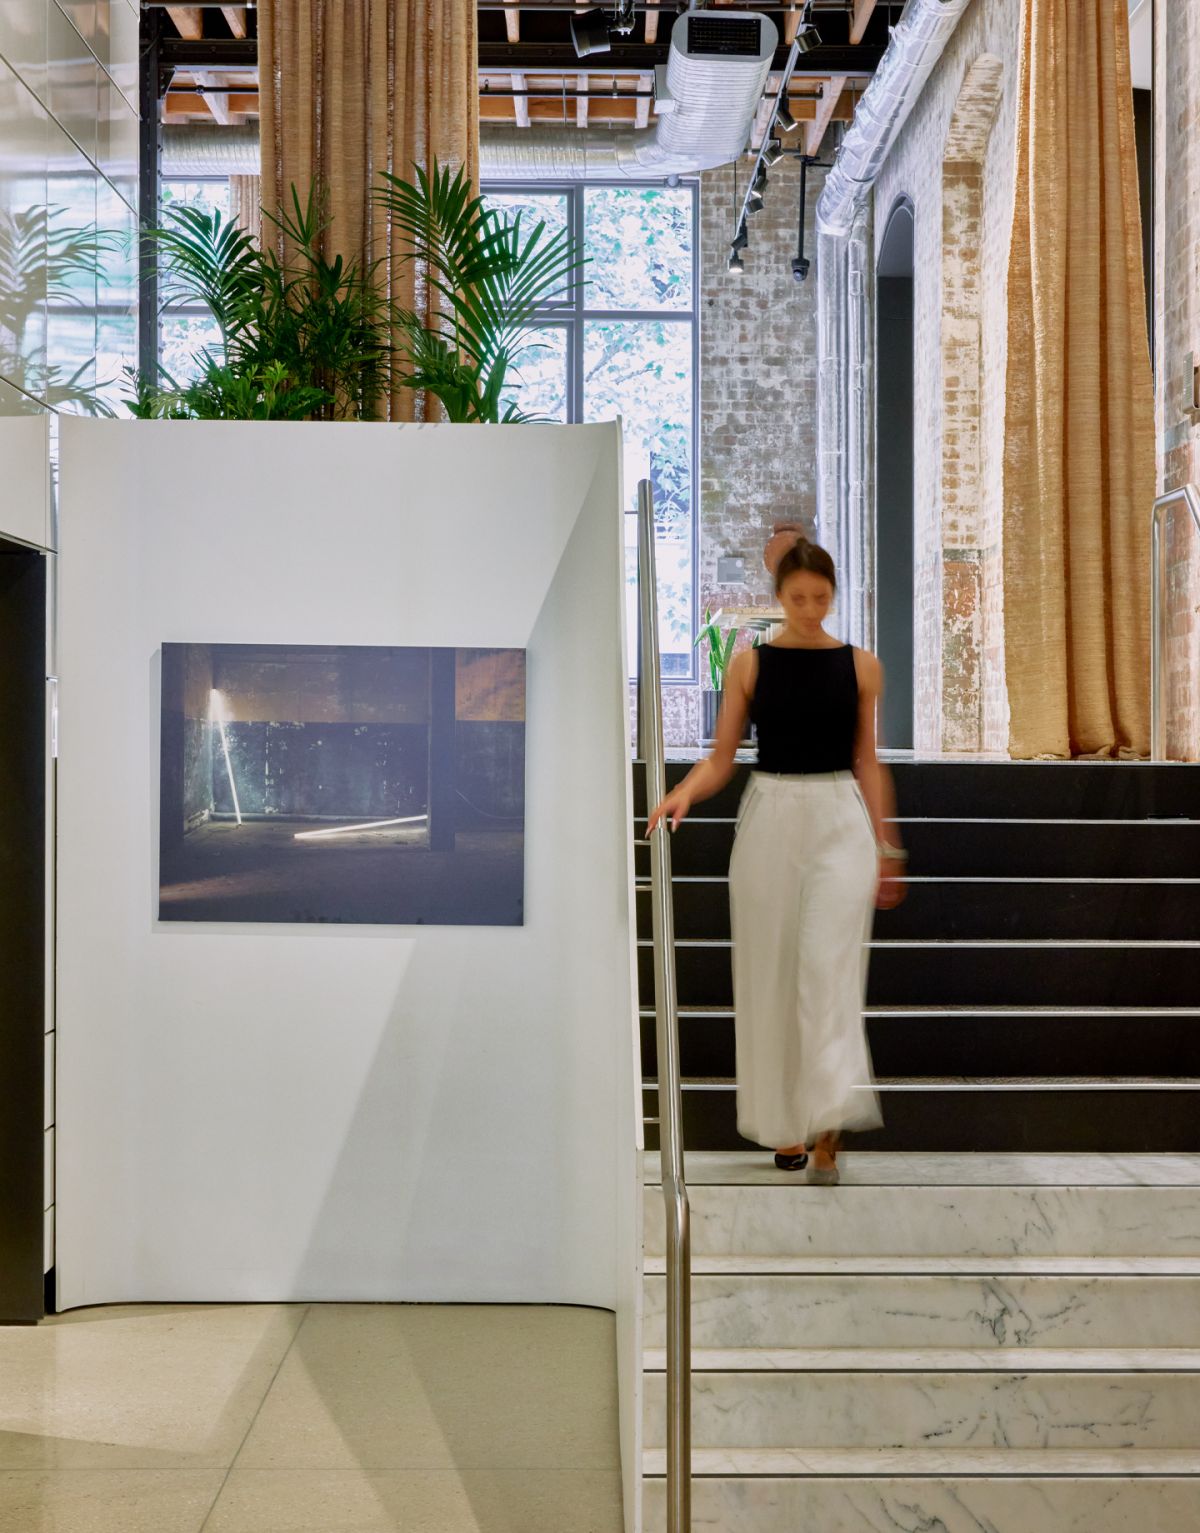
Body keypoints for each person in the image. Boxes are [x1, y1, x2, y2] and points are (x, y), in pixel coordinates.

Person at [646, 528, 906, 1185]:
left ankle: (828, 1123)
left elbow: (867, 761)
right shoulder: (749, 664)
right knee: (771, 975)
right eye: (799, 596)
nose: (811, 607)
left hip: (839, 821)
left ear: (833, 595)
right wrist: (681, 792)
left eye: (821, 596)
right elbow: (721, 759)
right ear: (780, 596)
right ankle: (788, 1123)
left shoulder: (862, 665)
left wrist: (888, 844)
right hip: (770, 818)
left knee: (827, 971)